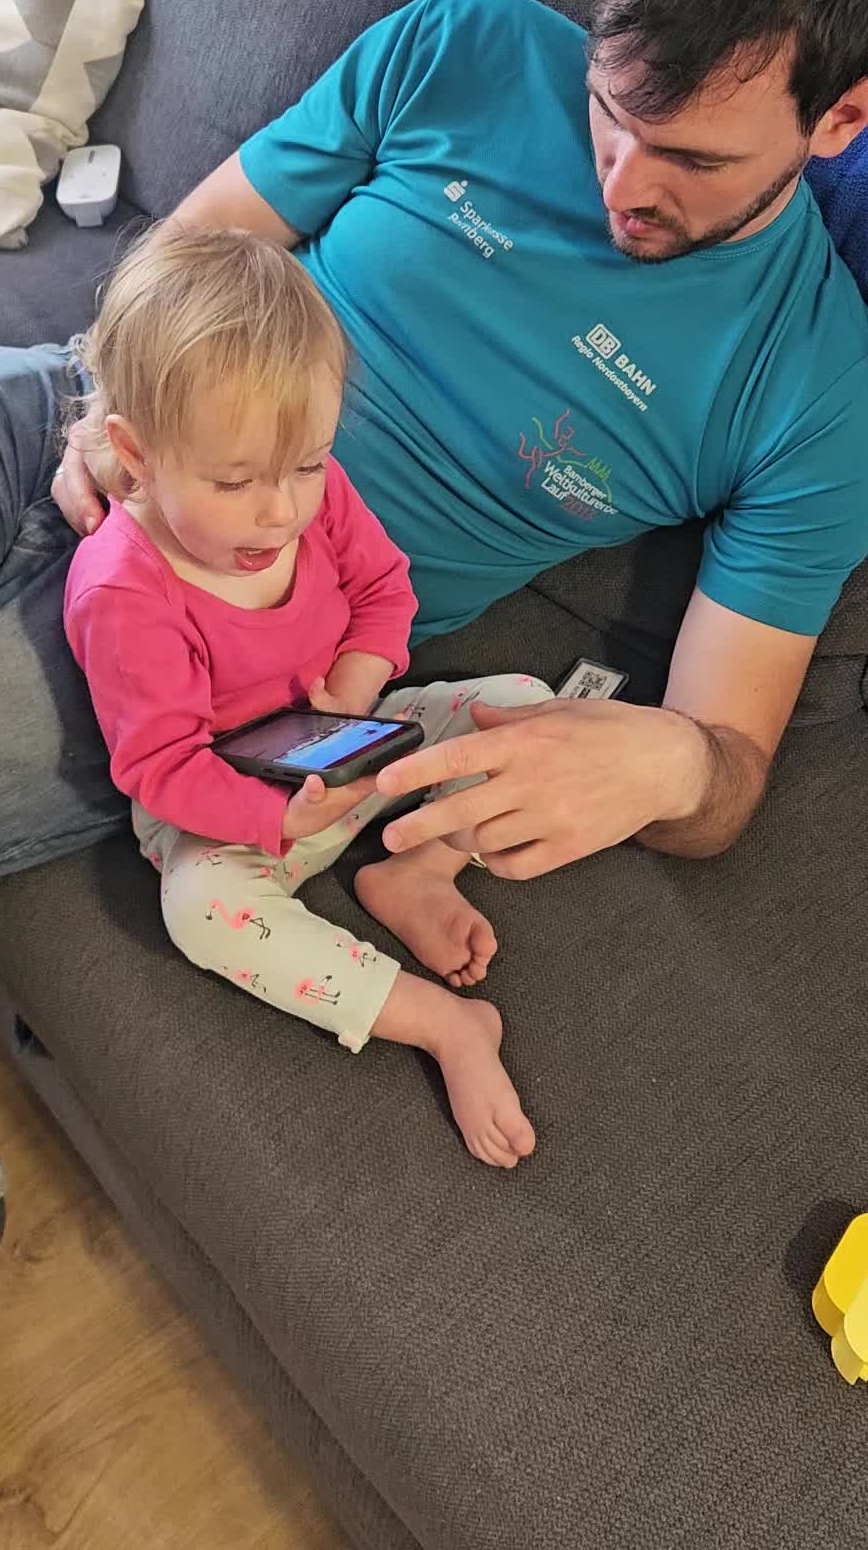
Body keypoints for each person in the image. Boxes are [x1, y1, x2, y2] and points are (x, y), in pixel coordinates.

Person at [0, 0, 868, 1542]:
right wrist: (106, 399)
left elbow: (724, 780)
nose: (621, 178)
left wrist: (672, 758)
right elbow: (201, 246)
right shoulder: (466, 45)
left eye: (692, 158)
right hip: (89, 421)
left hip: (236, 648)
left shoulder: (808, 403)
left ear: (845, 117)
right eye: (610, 109)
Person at [63, 223, 545, 1167]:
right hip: (231, 806)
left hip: (353, 738)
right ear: (138, 454)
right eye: (234, 481)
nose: (280, 510)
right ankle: (444, 1023)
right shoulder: (123, 589)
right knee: (202, 911)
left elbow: (385, 590)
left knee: (525, 703)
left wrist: (361, 684)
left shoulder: (306, 496)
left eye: (307, 464)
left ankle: (420, 869)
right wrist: (279, 817)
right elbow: (162, 768)